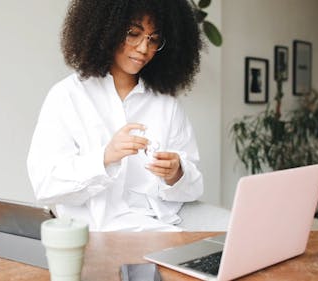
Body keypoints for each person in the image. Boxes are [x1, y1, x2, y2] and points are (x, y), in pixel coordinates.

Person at [27, 0, 203, 231]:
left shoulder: (166, 105)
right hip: (89, 235)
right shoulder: (67, 96)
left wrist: (177, 173)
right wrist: (105, 157)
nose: (143, 48)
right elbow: (45, 185)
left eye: (154, 39)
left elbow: (194, 187)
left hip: (156, 232)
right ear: (106, 29)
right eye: (133, 33)